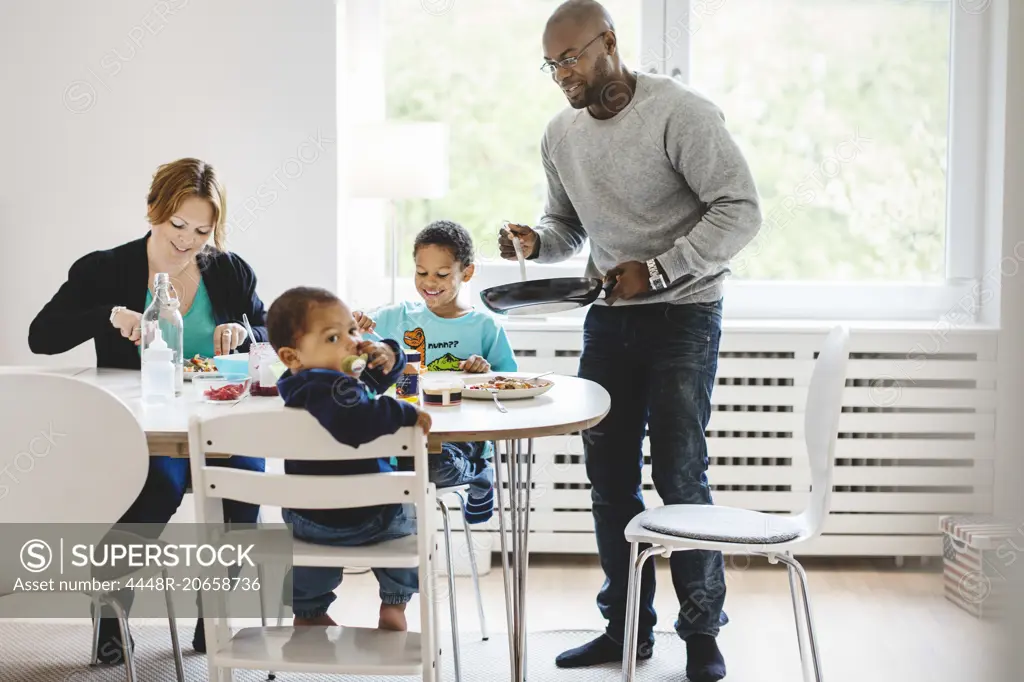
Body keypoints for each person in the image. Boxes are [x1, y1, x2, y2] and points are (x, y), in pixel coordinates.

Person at [497, 2, 762, 680]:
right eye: (551, 64)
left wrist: (664, 270)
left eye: (571, 58)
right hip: (609, 321)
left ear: (608, 42)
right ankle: (625, 630)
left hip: (685, 316)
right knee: (609, 482)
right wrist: (535, 240)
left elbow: (740, 210)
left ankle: (702, 635)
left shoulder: (680, 113)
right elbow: (566, 230)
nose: (560, 74)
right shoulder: (560, 135)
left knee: (680, 475)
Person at [28, 157, 270, 662]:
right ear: (152, 210)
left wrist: (248, 335)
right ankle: (111, 607)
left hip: (218, 425)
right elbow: (41, 336)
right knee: (157, 485)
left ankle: (215, 611)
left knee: (246, 487)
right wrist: (106, 316)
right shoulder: (105, 268)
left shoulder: (230, 272)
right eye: (177, 224)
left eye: (202, 230)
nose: (187, 240)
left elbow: (270, 336)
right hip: (139, 428)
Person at [268, 286, 432, 629]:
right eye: (333, 338)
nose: (352, 342)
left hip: (309, 520)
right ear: (291, 356)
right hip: (374, 516)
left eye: (353, 330)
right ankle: (395, 603)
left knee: (306, 553)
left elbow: (365, 389)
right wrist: (403, 413)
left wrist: (390, 353)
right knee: (407, 505)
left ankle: (309, 610)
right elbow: (356, 420)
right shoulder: (326, 388)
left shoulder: (317, 384)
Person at [356, 219, 518, 525]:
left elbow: (507, 385)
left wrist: (483, 372)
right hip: (401, 435)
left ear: (466, 273)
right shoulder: (396, 317)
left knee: (431, 464)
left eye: (442, 274)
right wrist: (354, 323)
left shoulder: (485, 328)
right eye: (421, 273)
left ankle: (479, 472)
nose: (429, 283)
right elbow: (349, 340)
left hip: (457, 442)